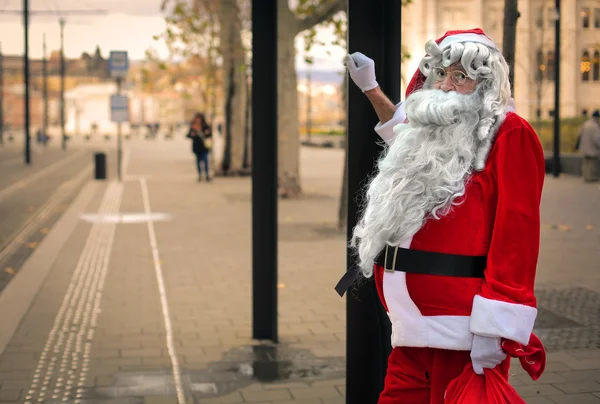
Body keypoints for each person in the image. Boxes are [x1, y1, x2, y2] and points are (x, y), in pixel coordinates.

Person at [343, 28, 546, 403]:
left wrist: (495, 330)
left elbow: (516, 239)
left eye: (462, 76)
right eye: (440, 73)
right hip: (410, 331)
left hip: (465, 335)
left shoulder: (509, 133)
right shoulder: (431, 132)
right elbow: (400, 134)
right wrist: (371, 88)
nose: (447, 86)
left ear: (487, 83)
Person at [187, 113, 212, 182]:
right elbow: (188, 135)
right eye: (197, 118)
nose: (198, 120)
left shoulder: (205, 126)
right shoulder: (193, 127)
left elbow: (210, 135)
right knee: (198, 162)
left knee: (206, 161)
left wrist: (207, 133)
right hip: (196, 147)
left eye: (199, 118)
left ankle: (207, 175)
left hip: (204, 147)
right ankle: (200, 175)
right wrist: (192, 135)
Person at [578, 109, 600, 182]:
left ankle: (585, 177)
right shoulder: (595, 126)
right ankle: (591, 177)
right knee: (592, 163)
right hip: (592, 148)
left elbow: (580, 134)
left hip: (584, 147)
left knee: (586, 163)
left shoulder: (586, 123)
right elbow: (597, 139)